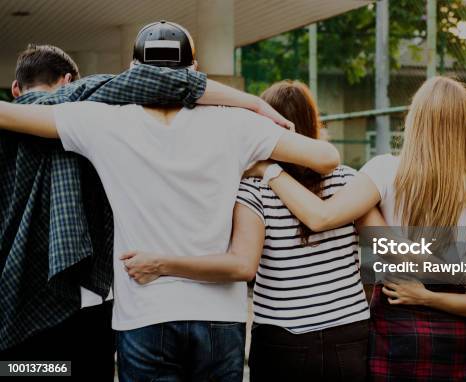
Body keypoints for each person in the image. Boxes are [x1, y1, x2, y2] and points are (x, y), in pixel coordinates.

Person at [0, 22, 337, 382]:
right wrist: (264, 164)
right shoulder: (237, 125)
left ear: (133, 72)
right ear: (194, 70)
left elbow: (10, 114)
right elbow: (325, 158)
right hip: (220, 318)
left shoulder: (102, 121)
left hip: (144, 314)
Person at [246, 76, 466, 381]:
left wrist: (271, 170)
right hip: (456, 335)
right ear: (465, 126)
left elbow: (322, 218)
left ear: (415, 117)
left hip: (397, 323)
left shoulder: (383, 171)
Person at [121, 80, 377, 382]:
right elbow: (387, 250)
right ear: (313, 123)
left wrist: (162, 264)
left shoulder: (252, 190)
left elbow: (243, 264)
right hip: (349, 334)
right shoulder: (348, 180)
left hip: (283, 339)